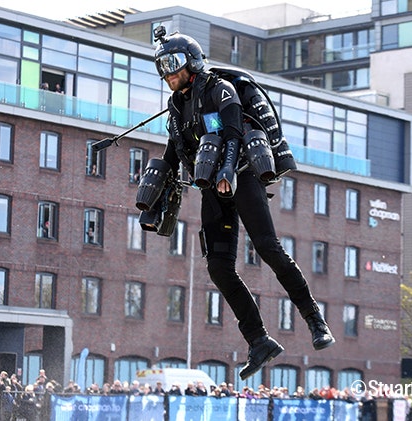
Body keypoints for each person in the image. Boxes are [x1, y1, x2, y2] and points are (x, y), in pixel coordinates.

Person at [148, 27, 334, 381]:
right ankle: (259, 340)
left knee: (267, 247)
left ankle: (315, 320)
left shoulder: (220, 89)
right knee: (218, 266)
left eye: (173, 64)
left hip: (242, 175)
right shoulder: (176, 107)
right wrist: (152, 194)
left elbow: (232, 133)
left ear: (192, 62)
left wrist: (229, 172)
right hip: (212, 188)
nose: (167, 72)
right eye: (162, 66)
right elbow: (174, 153)